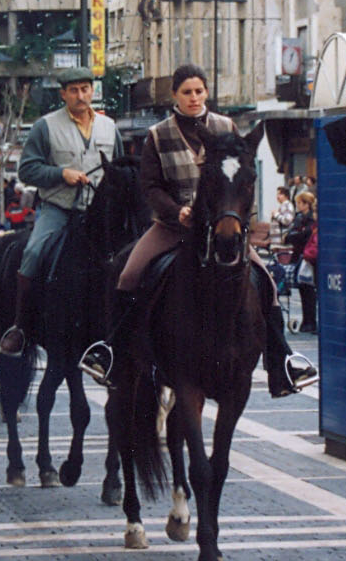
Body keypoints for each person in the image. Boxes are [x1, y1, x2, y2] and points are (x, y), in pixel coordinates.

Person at [81, 64, 315, 397]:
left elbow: (240, 178)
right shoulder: (158, 134)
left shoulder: (226, 126)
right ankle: (113, 353)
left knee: (266, 282)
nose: (194, 98)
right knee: (128, 275)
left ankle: (282, 364)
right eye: (187, 92)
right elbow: (150, 186)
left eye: (199, 91)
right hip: (172, 227)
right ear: (175, 95)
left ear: (206, 93)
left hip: (219, 227)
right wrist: (177, 211)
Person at [0, 67, 122, 356]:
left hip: (98, 214)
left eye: (85, 89)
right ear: (63, 93)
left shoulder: (109, 127)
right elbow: (27, 169)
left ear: (93, 90)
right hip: (59, 208)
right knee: (33, 253)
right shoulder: (45, 126)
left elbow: (120, 167)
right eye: (74, 90)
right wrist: (60, 173)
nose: (81, 96)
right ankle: (20, 325)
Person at [287, 191, 318, 333]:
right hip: (301, 255)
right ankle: (307, 321)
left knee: (308, 291)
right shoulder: (300, 218)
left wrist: (295, 234)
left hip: (308, 257)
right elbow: (290, 236)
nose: (297, 205)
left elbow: (299, 236)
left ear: (306, 204)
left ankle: (310, 321)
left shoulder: (310, 220)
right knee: (303, 288)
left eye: (299, 203)